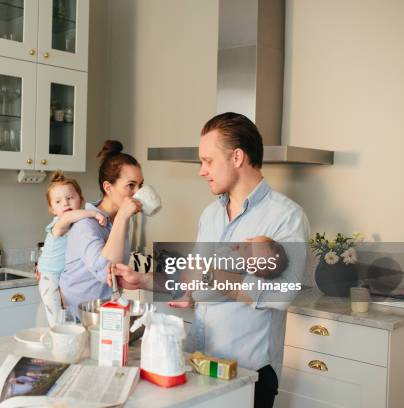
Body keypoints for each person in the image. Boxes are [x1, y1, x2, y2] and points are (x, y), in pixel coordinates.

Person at [110, 112, 309, 408]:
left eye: (208, 160)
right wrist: (146, 279)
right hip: (198, 364)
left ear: (238, 157)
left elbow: (279, 295)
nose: (202, 171)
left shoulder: (286, 217)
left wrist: (208, 276)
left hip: (248, 374)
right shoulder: (211, 214)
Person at [58, 140, 143, 316]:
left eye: (140, 186)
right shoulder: (85, 225)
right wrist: (122, 217)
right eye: (131, 185)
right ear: (108, 187)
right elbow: (105, 272)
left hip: (104, 313)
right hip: (76, 319)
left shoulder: (118, 220)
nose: (137, 193)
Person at [37, 171, 107, 327]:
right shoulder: (59, 223)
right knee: (56, 318)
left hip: (62, 276)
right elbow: (68, 217)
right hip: (49, 277)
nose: (65, 204)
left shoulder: (81, 225)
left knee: (66, 312)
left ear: (81, 200)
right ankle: (58, 338)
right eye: (58, 202)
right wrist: (94, 213)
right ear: (52, 209)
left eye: (70, 198)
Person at [168, 235, 289, 308]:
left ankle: (186, 296)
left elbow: (212, 264)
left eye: (249, 247)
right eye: (251, 240)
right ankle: (186, 294)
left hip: (199, 282)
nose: (246, 241)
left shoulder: (237, 262)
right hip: (195, 280)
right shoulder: (239, 258)